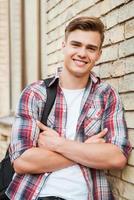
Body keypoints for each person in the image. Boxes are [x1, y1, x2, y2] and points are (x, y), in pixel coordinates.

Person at [6, 16, 131, 200]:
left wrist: (58, 144)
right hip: (35, 194)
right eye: (76, 44)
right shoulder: (35, 93)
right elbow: (22, 161)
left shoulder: (106, 95)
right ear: (63, 46)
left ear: (99, 54)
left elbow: (117, 158)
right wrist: (86, 151)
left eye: (91, 48)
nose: (82, 53)